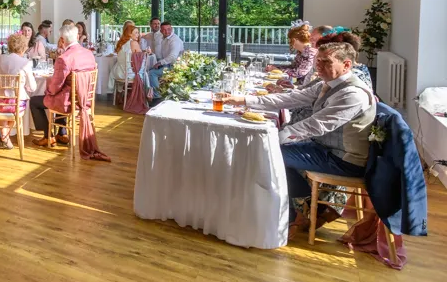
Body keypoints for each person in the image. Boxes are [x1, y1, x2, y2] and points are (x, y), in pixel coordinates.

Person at [222, 41, 376, 238]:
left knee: (268, 153)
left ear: (346, 65)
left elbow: (315, 125)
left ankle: (302, 212)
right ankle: (301, 209)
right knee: (272, 149)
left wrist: (274, 138)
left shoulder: (352, 94)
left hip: (343, 159)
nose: (318, 65)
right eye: (317, 60)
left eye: (325, 61)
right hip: (326, 148)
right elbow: (290, 99)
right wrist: (244, 100)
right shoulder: (327, 85)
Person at [30, 23, 108, 159]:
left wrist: (48, 90)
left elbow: (55, 86)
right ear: (77, 36)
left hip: (69, 102)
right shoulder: (89, 54)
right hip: (84, 101)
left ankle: (48, 136)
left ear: (62, 40)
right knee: (60, 94)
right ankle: (61, 133)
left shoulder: (64, 59)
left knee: (35, 101)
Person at [0, 31, 37, 149]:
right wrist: (24, 86)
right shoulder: (25, 63)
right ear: (24, 47)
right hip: (14, 104)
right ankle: (5, 136)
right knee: (14, 107)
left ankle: (4, 135)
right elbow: (33, 87)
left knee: (4, 107)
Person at [147, 21, 184, 99]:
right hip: (168, 64)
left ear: (171, 29)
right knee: (149, 69)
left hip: (175, 66)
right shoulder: (164, 39)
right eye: (164, 30)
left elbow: (173, 56)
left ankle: (157, 97)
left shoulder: (174, 40)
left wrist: (160, 62)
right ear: (161, 31)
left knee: (151, 73)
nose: (166, 31)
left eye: (168, 29)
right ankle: (151, 94)